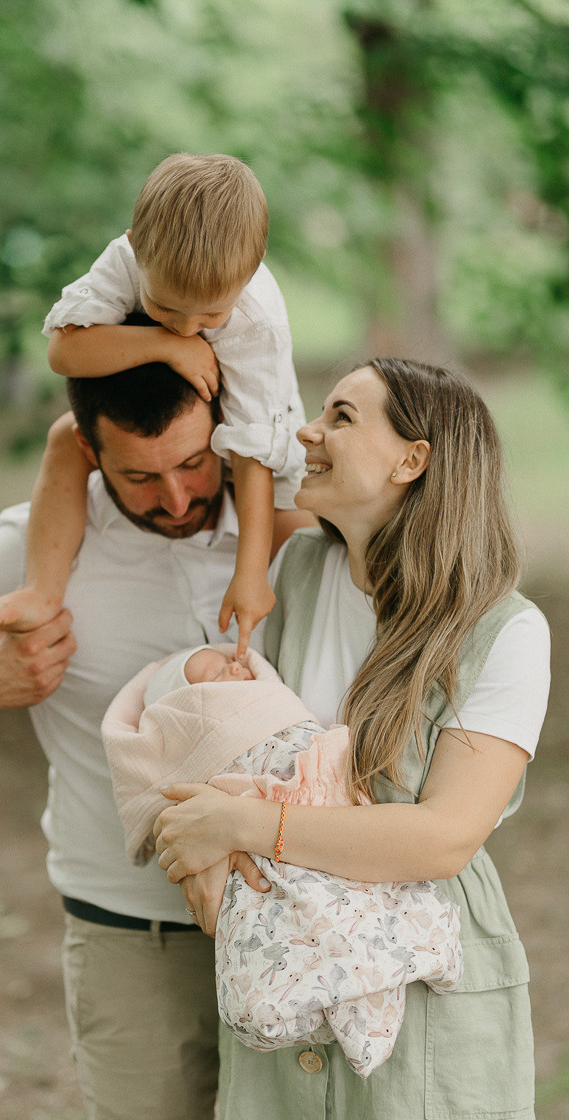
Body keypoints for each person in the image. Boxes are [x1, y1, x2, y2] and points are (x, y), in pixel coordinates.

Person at [0, 359, 302, 1120]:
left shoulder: (297, 533)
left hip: (302, 919)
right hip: (128, 936)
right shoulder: (31, 549)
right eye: (140, 477)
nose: (177, 498)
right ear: (86, 449)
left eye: (192, 461)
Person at [152, 358, 551, 1120]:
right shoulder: (297, 570)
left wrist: (237, 825)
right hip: (281, 961)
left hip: (421, 982)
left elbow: (442, 838)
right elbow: (241, 738)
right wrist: (207, 840)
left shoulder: (504, 631)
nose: (309, 430)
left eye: (340, 416)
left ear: (413, 459)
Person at [0, 153, 308, 658]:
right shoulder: (127, 260)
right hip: (184, 417)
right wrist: (165, 346)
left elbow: (252, 456)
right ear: (134, 247)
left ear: (252, 270)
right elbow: (63, 351)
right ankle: (42, 590)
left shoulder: (258, 321)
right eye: (166, 308)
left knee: (303, 553)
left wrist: (250, 574)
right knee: (68, 435)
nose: (188, 326)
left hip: (262, 452)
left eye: (212, 314)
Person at [101, 642, 463, 1078]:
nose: (235, 666)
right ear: (192, 707)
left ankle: (370, 1011)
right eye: (216, 675)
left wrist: (237, 821)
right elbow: (218, 797)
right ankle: (318, 1008)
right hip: (273, 846)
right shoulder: (216, 750)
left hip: (329, 830)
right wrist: (225, 823)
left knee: (358, 914)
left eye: (230, 661)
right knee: (300, 920)